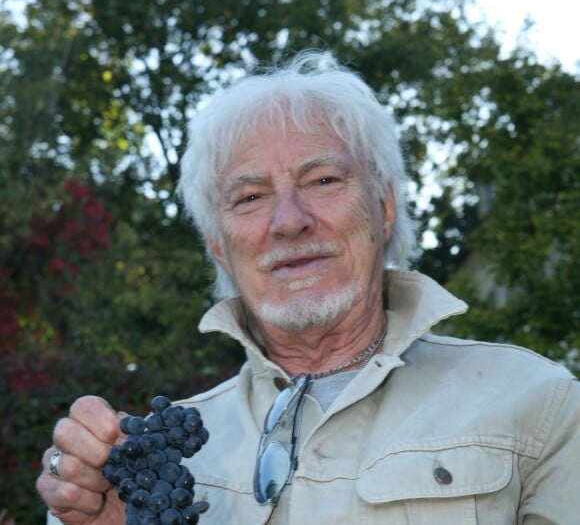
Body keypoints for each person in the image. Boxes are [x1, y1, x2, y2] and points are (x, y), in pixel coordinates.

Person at [37, 51, 580, 524]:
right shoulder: (151, 460)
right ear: (220, 246)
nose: (289, 221)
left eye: (323, 180)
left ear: (384, 210)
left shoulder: (544, 405)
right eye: (249, 197)